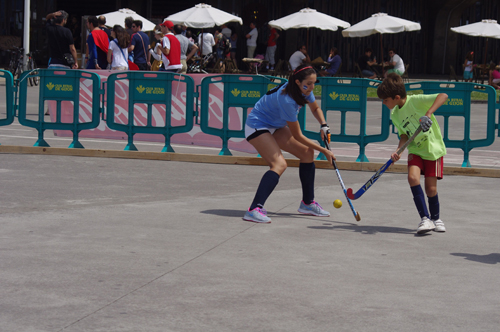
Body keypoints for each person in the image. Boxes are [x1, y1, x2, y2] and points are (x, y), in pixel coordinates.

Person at [242, 64, 335, 223]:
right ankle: (254, 209)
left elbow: (315, 108)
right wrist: (324, 150)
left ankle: (307, 203)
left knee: (307, 153)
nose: (312, 87)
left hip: (275, 125)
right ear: (298, 82)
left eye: (314, 83)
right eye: (309, 83)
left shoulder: (304, 90)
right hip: (257, 126)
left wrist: (324, 125)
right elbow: (298, 135)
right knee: (279, 164)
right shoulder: (287, 100)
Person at [377, 73, 448, 234]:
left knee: (431, 190)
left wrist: (428, 113)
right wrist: (398, 151)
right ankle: (425, 218)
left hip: (432, 150)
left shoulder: (415, 101)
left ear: (396, 97)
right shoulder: (395, 114)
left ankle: (436, 218)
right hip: (415, 150)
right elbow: (404, 135)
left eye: (385, 100)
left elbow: (443, 96)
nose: (383, 103)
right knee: (412, 178)